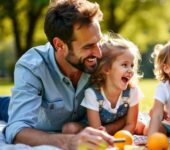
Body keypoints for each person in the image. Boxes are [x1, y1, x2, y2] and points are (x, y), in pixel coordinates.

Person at [2, 0, 115, 149]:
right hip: (12, 106)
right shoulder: (32, 67)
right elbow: (16, 131)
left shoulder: (104, 57)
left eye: (98, 42)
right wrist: (70, 142)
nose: (99, 53)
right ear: (59, 45)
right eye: (88, 46)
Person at [70, 34, 144, 135]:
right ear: (106, 69)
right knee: (69, 128)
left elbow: (131, 125)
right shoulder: (92, 94)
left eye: (132, 65)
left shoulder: (132, 91)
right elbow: (97, 131)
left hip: (122, 128)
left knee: (141, 126)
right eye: (124, 65)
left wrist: (121, 138)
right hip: (96, 129)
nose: (131, 70)